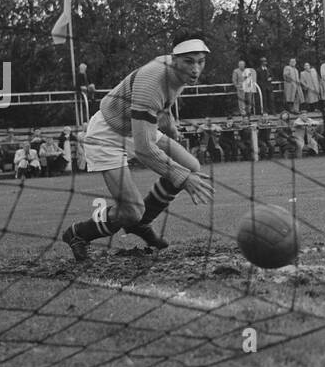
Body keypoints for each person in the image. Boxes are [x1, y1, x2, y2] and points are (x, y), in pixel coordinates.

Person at [60, 31, 215, 260]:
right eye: (189, 62)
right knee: (132, 211)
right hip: (106, 134)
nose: (195, 69)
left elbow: (165, 101)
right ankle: (79, 233)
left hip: (136, 126)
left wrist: (170, 126)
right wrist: (181, 178)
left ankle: (141, 224)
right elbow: (144, 150)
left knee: (192, 165)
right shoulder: (152, 82)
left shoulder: (177, 73)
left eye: (200, 62)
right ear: (174, 60)